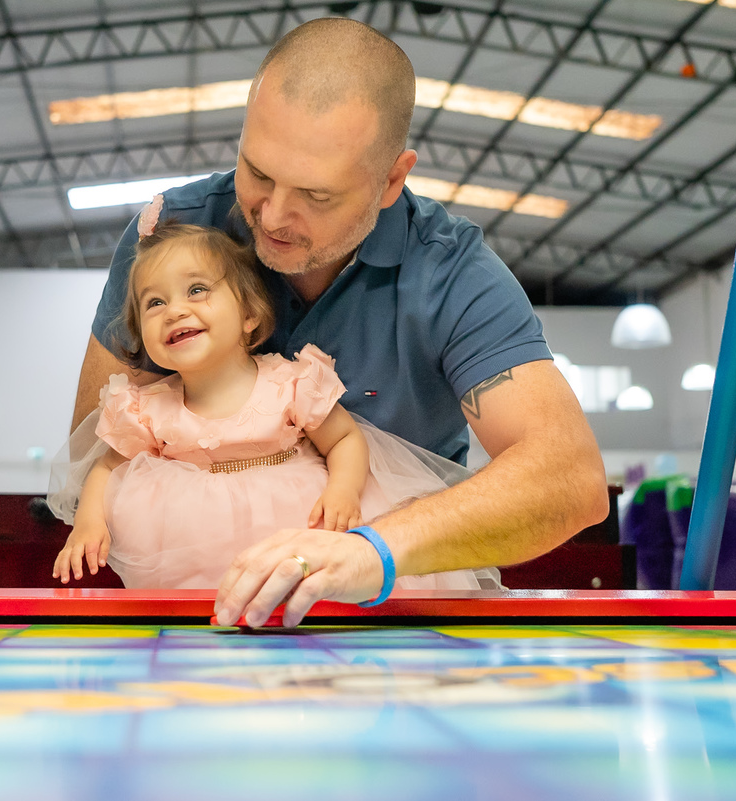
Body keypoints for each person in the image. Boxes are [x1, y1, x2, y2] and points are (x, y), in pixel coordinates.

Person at [72, 18, 608, 626]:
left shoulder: (453, 274)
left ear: (391, 180)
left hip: (393, 609)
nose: (271, 216)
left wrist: (370, 551)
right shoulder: (172, 239)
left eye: (316, 196)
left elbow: (570, 477)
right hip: (195, 605)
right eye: (257, 172)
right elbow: (99, 445)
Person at [50, 223, 484, 591]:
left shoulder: (288, 382)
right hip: (189, 542)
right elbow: (108, 467)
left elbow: (345, 438)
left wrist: (343, 490)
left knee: (307, 595)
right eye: (155, 303)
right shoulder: (148, 408)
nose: (175, 311)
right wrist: (90, 522)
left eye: (196, 290)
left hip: (297, 524)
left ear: (249, 316)